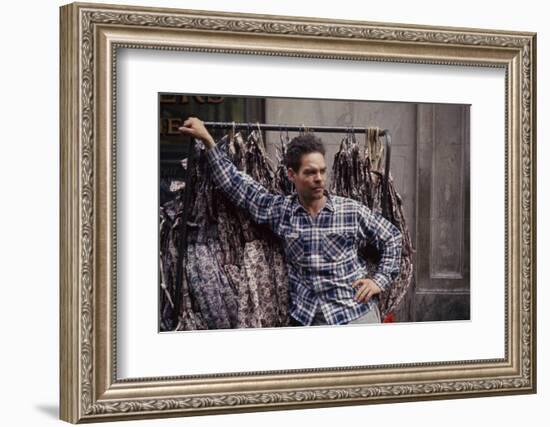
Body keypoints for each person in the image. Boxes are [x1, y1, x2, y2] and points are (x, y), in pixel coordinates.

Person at [179, 117, 402, 326]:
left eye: (323, 171)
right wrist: (208, 141)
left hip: (356, 316)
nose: (319, 179)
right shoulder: (282, 212)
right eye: (310, 172)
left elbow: (392, 237)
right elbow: (239, 187)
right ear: (291, 175)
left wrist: (378, 281)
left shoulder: (350, 211)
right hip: (308, 320)